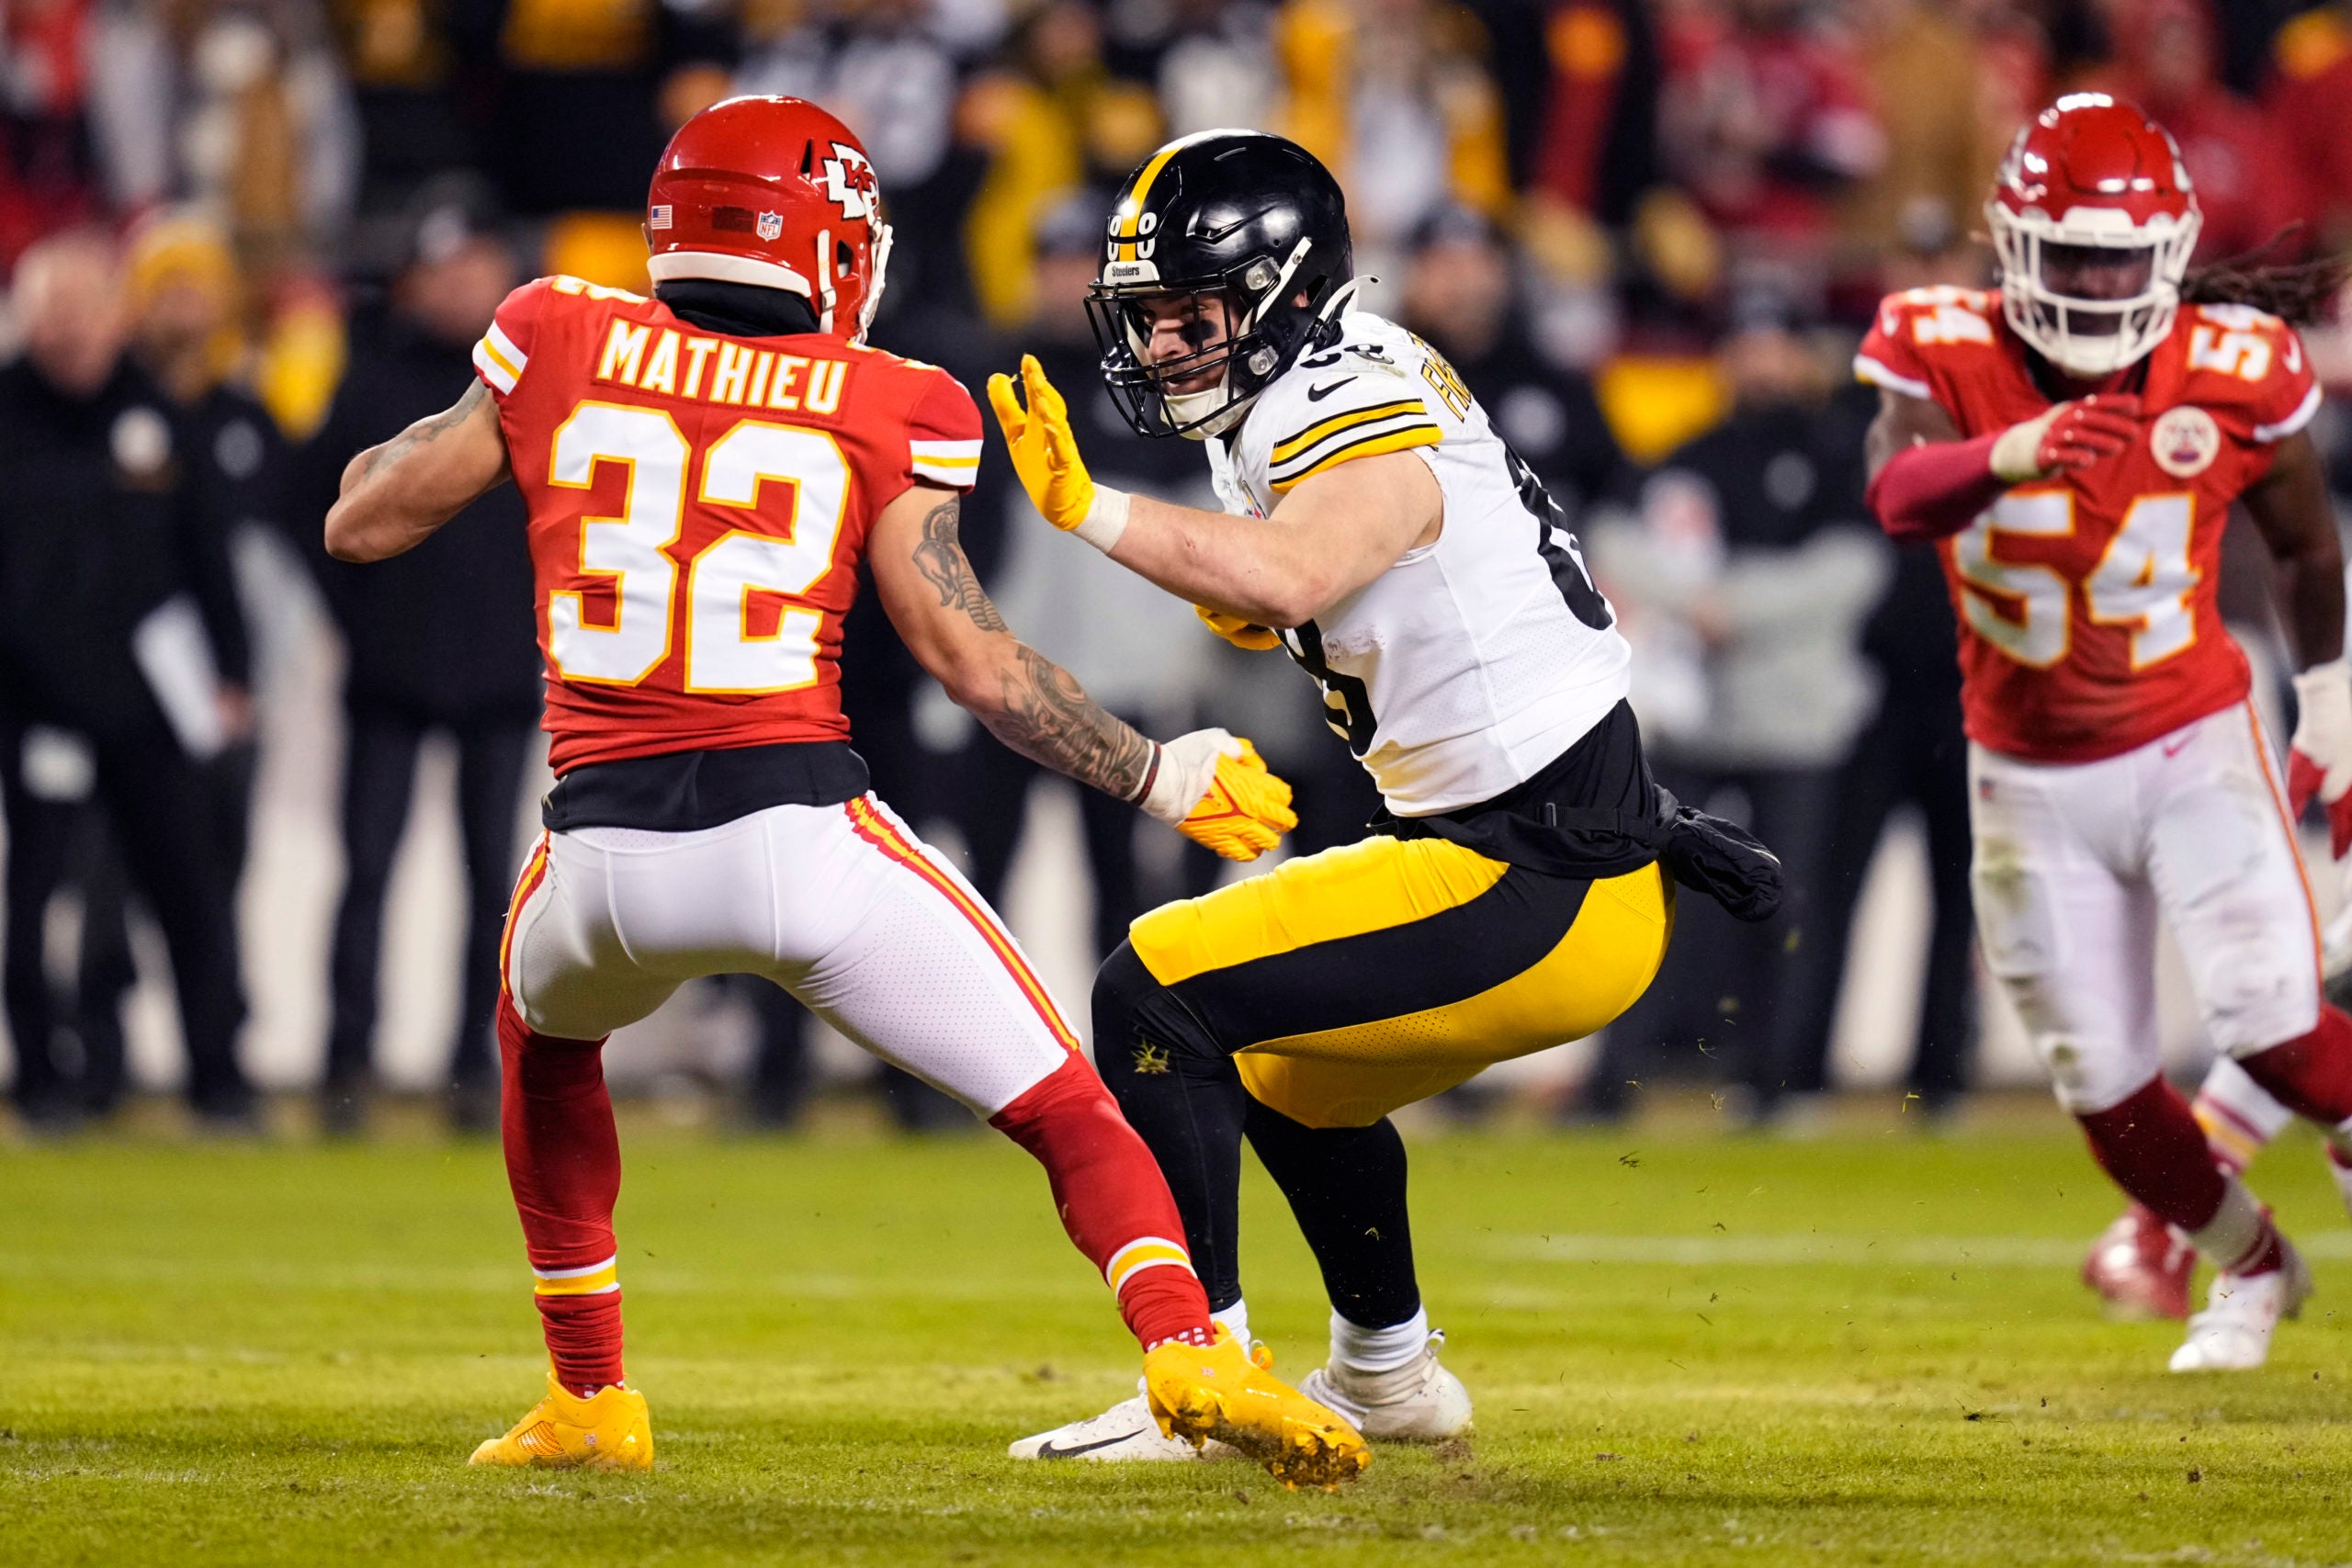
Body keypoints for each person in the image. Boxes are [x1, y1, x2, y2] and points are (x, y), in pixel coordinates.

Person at [318, 96, 1363, 1487]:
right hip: (798, 834)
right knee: (1065, 1104)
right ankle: (1188, 1351)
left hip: (598, 855)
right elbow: (976, 667)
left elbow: (363, 518)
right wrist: (1160, 773)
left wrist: (503, 398)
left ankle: (589, 1393)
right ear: (825, 243)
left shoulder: (556, 330)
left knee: (543, 1049)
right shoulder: (895, 397)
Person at [993, 130, 1778, 1461]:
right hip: (1541, 854)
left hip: (1530, 874)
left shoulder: (1339, 395)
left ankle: (1201, 1377)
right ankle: (1389, 1373)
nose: (1165, 343)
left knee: (1152, 989)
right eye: (1151, 314)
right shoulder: (1321, 373)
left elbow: (1297, 572)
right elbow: (1341, 584)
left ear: (1289, 292)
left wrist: (1091, 512)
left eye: (1193, 312)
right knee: (1298, 1081)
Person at [1855, 95, 2352, 1371]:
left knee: (2275, 1025)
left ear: (2168, 254)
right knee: (2105, 1092)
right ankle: (2251, 1264)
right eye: (2069, 255)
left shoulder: (2235, 365)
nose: (2090, 283)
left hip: (2191, 740)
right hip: (2023, 774)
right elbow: (1897, 493)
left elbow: (2306, 545)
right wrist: (2010, 451)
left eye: (2115, 259)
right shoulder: (1940, 340)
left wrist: (2333, 701)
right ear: (2016, 245)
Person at [292, 176, 543, 1135]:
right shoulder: (374, 376)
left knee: (493, 884)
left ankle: (475, 1068)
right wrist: (355, 619)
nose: (457, 283)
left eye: (473, 264)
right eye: (442, 268)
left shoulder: (542, 386)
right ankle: (345, 1062)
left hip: (499, 673)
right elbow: (305, 507)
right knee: (367, 870)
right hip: (391, 673)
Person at [0, 229, 254, 1128]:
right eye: (52, 310)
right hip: (35, 705)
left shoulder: (155, 412)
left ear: (116, 315)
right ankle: (44, 1082)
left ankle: (219, 1082)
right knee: (35, 900)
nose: (70, 328)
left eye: (84, 308)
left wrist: (232, 669)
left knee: (189, 894)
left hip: (148, 710)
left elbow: (207, 552)